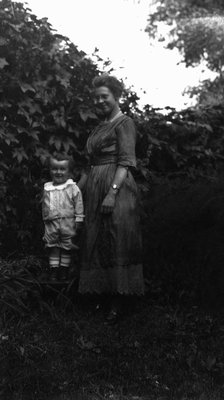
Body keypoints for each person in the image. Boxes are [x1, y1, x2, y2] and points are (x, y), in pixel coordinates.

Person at [78, 74, 144, 322]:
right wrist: (74, 192)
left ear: (116, 96)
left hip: (116, 189)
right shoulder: (98, 127)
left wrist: (112, 193)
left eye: (104, 96)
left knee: (117, 239)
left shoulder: (124, 123)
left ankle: (118, 303)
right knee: (96, 240)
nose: (99, 101)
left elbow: (125, 162)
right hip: (94, 188)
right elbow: (89, 166)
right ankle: (100, 297)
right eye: (95, 98)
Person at [42, 152, 84, 281]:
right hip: (51, 223)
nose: (58, 172)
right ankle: (54, 271)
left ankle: (64, 271)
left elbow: (79, 204)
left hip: (68, 222)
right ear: (50, 170)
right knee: (53, 246)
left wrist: (79, 219)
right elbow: (44, 206)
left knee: (67, 246)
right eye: (54, 169)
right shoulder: (47, 188)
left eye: (62, 169)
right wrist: (46, 218)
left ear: (69, 171)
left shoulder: (72, 187)